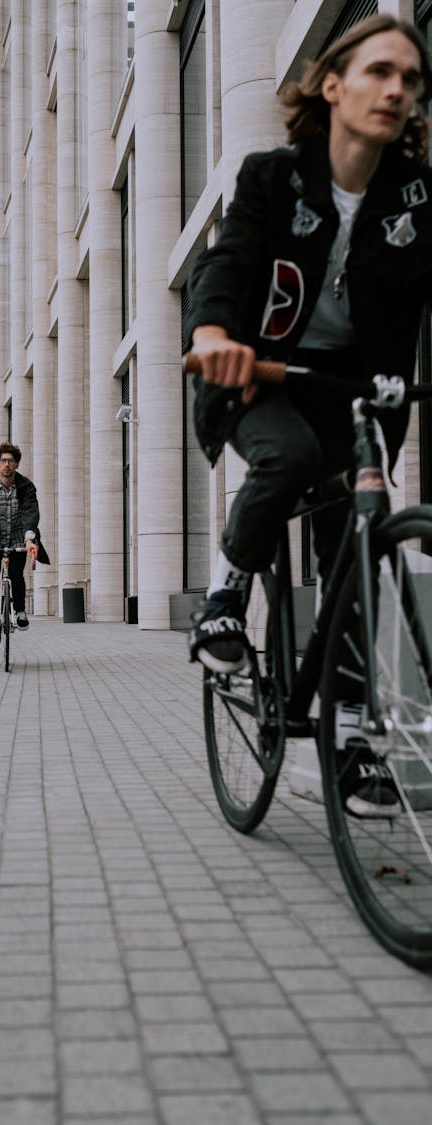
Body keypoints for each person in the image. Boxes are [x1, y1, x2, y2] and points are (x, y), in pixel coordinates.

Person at [185, 15, 432, 816]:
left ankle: (353, 737)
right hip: (259, 381)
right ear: (333, 84)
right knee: (286, 457)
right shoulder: (272, 177)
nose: (397, 89)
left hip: (358, 395)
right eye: (379, 72)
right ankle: (223, 598)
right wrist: (215, 332)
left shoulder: (417, 197)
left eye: (411, 78)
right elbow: (231, 261)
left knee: (356, 553)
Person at [0, 443, 49, 634]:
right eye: (3, 460)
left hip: (18, 537)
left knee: (17, 574)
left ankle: (20, 612)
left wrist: (30, 539)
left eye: (11, 461)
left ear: (16, 464)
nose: (7, 464)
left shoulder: (26, 487)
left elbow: (31, 513)